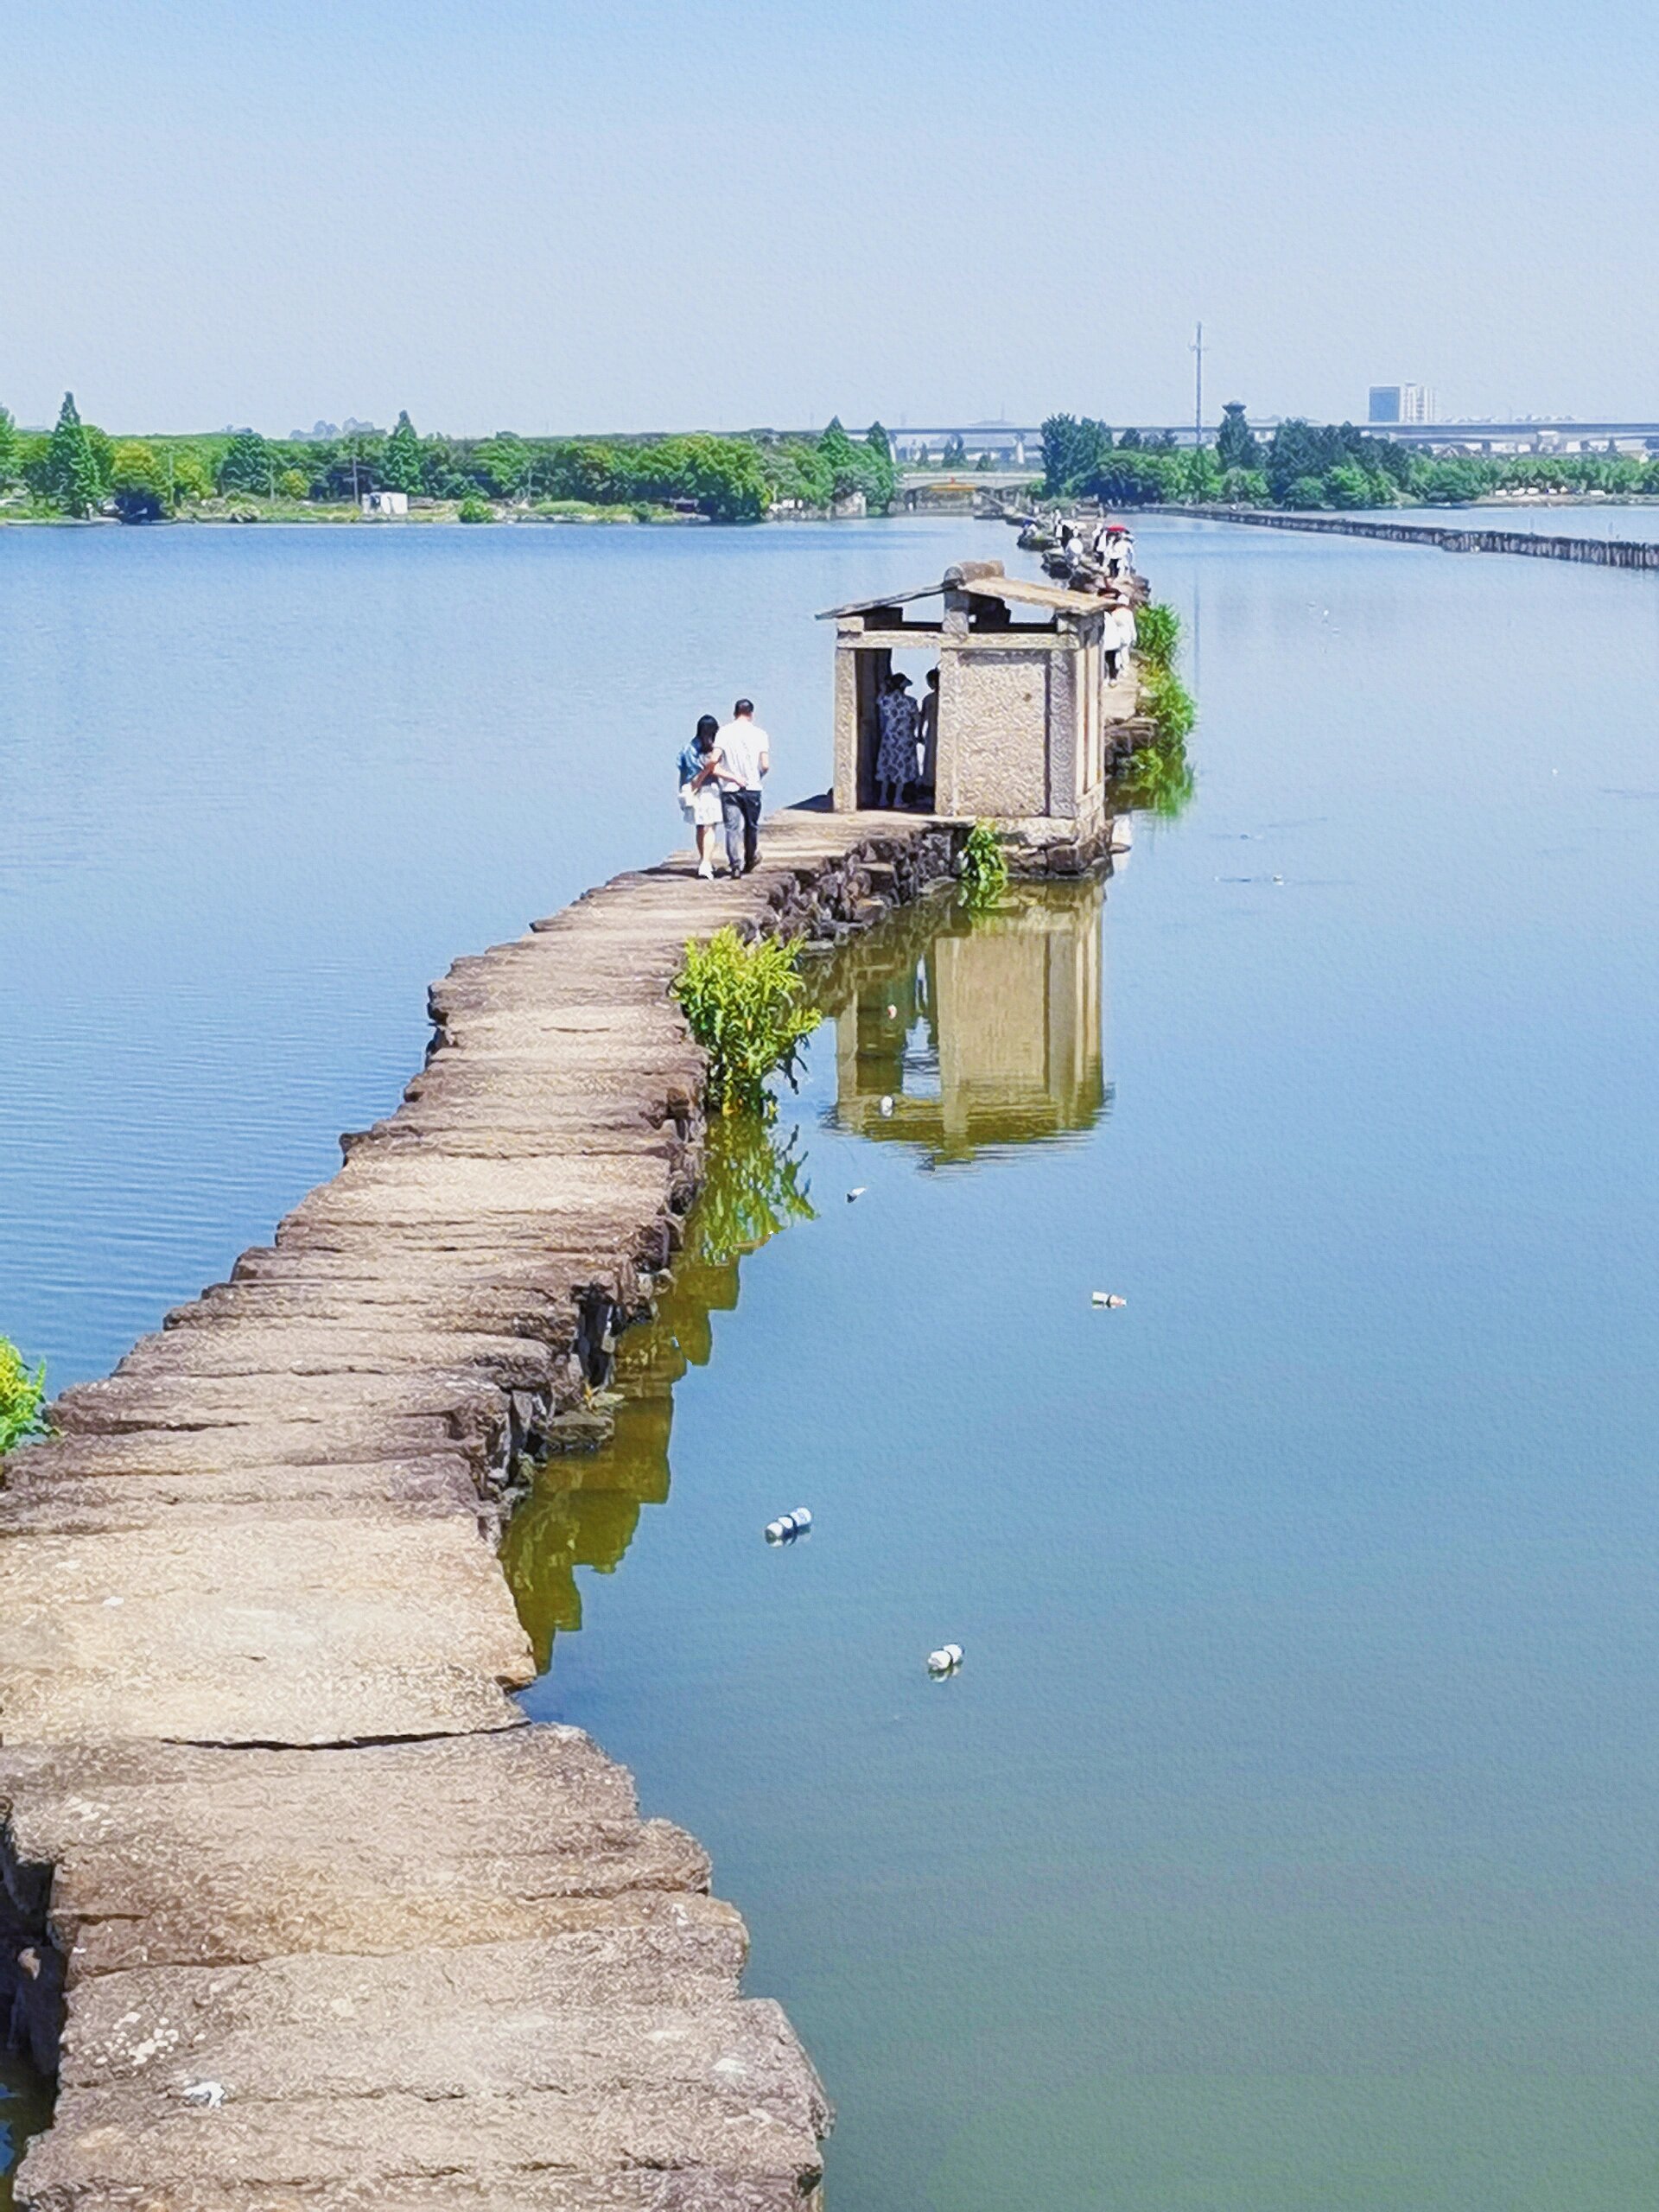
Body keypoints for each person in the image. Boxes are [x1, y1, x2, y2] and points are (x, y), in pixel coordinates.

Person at [715, 697, 770, 876]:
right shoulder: (760, 734)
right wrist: (757, 776)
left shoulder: (723, 732)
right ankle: (750, 859)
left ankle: (735, 865)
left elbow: (714, 759)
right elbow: (765, 765)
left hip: (730, 788)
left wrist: (730, 776)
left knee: (732, 828)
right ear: (751, 714)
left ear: (735, 713)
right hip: (752, 787)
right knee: (751, 826)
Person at [677, 714, 725, 880]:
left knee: (700, 827)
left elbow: (682, 769)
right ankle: (706, 863)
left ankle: (703, 860)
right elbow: (715, 769)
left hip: (693, 791)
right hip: (710, 790)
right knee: (710, 827)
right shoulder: (714, 749)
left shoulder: (688, 748)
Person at [875, 671, 919, 810]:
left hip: (889, 736)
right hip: (904, 736)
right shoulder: (910, 702)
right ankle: (897, 798)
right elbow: (917, 718)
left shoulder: (886, 700)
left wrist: (882, 690)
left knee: (887, 765)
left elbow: (879, 703)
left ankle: (883, 798)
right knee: (901, 767)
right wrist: (916, 732)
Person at [917, 666, 940, 801]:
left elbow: (922, 718)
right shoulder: (929, 699)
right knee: (931, 760)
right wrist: (920, 733)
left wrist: (920, 733)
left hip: (934, 731)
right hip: (932, 731)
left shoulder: (930, 699)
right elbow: (923, 717)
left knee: (931, 760)